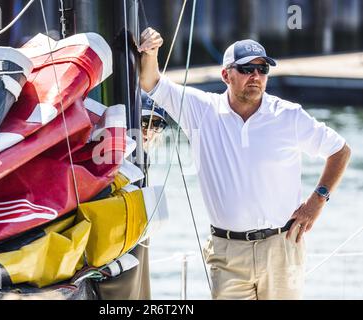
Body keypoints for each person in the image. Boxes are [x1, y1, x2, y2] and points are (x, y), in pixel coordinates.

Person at [138, 27, 351, 300]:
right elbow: (151, 82)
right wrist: (151, 50)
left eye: (262, 70)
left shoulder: (288, 116)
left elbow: (340, 151)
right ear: (226, 75)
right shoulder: (201, 110)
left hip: (281, 248)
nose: (256, 76)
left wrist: (317, 201)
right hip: (227, 253)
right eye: (247, 69)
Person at [96, 92, 168, 300]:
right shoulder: (114, 155)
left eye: (157, 125)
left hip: (135, 239)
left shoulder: (142, 156)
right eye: (145, 121)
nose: (149, 130)